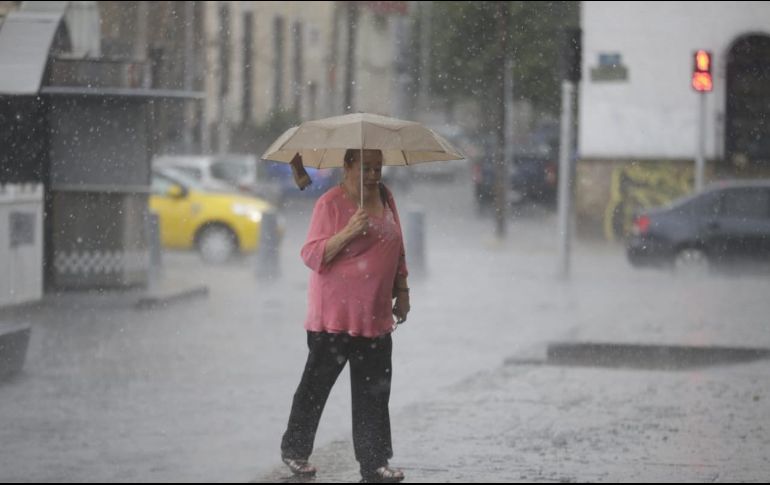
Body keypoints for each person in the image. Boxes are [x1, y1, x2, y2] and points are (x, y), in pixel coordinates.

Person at [280, 149, 409, 483]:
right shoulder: (330, 203)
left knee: (374, 393)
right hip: (334, 318)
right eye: (366, 168)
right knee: (315, 386)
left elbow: (398, 246)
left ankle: (374, 463)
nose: (373, 175)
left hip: (376, 317)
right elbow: (311, 254)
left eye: (378, 168)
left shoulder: (386, 196)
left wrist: (403, 291)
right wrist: (349, 231)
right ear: (348, 166)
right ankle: (295, 451)